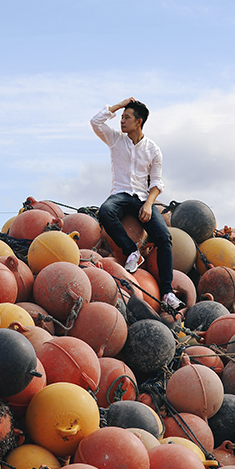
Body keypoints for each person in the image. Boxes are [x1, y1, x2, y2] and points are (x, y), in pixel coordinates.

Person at [90, 96, 181, 311]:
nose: (121, 121)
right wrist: (119, 105)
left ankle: (167, 292)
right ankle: (132, 251)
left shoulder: (153, 149)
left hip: (142, 197)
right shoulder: (115, 139)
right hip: (120, 195)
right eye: (121, 117)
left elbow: (157, 183)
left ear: (138, 122)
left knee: (164, 237)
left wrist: (149, 204)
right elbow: (95, 122)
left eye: (126, 117)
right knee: (106, 211)